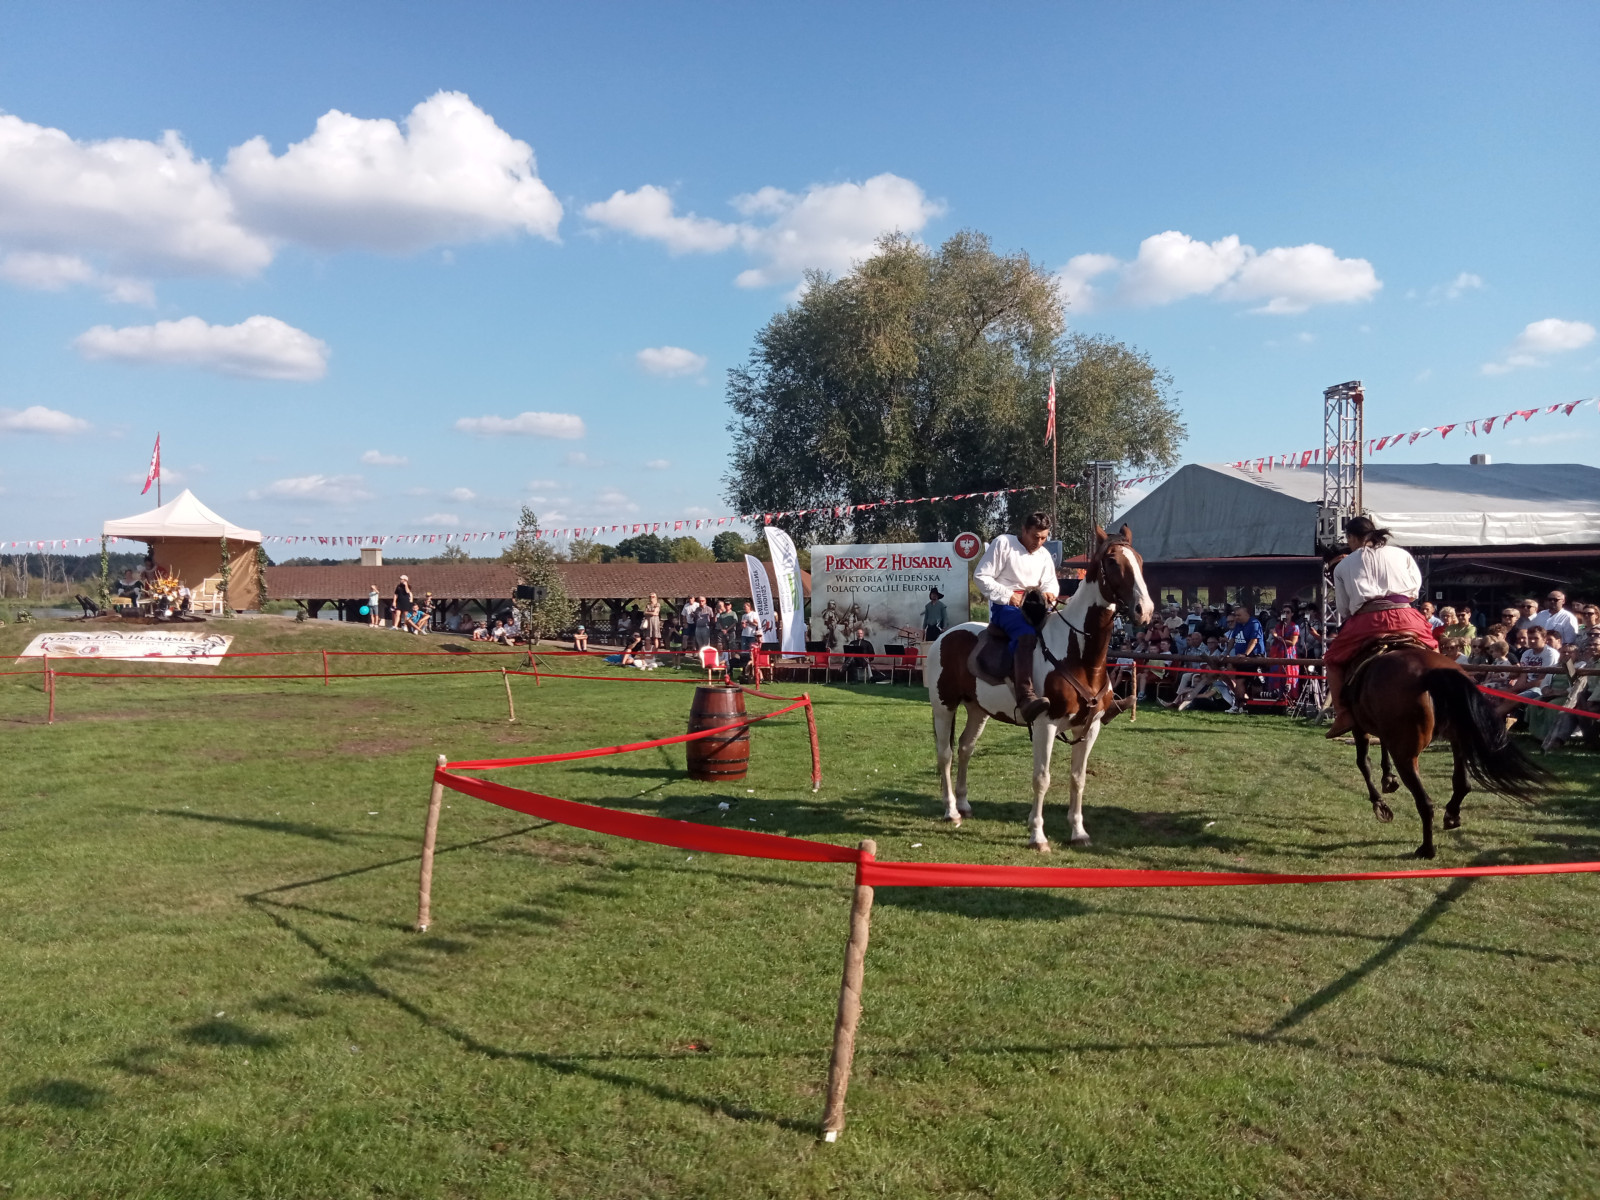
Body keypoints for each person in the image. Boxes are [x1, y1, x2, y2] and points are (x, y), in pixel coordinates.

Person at [1323, 515, 1437, 738]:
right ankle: (1446, 699)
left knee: (1332, 660)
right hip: (1407, 615)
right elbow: (1414, 588)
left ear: (1352, 537)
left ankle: (1343, 714)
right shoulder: (1402, 554)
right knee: (1433, 649)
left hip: (1368, 620)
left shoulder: (1344, 565)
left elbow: (1344, 608)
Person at [972, 511, 1061, 722]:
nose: (1039, 542)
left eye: (1043, 538)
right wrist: (1008, 595)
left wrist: (1050, 594)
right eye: (1035, 537)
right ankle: (1025, 696)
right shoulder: (1004, 543)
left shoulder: (1044, 555)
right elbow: (981, 576)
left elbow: (1050, 583)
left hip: (1036, 607)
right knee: (1026, 634)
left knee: (1061, 629)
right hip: (1006, 608)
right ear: (1024, 530)